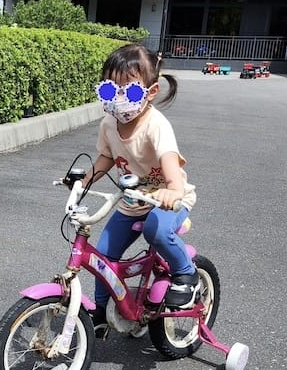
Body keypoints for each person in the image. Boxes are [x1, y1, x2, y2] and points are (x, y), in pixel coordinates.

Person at [82, 43, 199, 331]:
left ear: (151, 91)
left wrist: (172, 189)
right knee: (103, 256)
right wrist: (82, 180)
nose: (119, 99)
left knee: (156, 230)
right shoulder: (109, 123)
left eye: (130, 91)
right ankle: (101, 309)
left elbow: (169, 159)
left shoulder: (155, 126)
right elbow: (107, 157)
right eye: (111, 90)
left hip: (169, 200)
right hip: (133, 201)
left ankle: (186, 274)